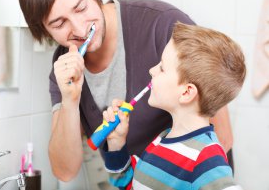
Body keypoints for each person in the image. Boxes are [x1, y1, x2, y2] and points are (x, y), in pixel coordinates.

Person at [18, 0, 234, 181]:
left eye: (81, 8)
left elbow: (223, 136)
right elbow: (65, 171)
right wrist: (70, 101)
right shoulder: (63, 72)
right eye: (60, 24)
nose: (80, 29)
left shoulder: (163, 25)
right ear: (44, 31)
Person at [102, 23, 246, 189]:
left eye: (162, 68)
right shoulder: (161, 141)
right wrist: (116, 145)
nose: (151, 70)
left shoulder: (207, 158)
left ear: (186, 93)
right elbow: (130, 184)